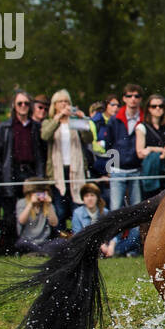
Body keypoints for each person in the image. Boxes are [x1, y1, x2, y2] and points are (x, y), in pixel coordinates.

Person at [0, 90, 45, 249]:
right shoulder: (5, 127)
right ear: (14, 106)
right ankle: (10, 247)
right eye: (19, 103)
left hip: (30, 173)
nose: (23, 106)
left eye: (26, 104)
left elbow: (42, 154)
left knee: (33, 210)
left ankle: (30, 245)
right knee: (10, 214)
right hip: (11, 173)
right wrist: (1, 173)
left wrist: (40, 177)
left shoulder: (36, 127)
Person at [42, 89, 96, 227]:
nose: (64, 104)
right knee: (60, 209)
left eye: (66, 101)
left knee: (77, 206)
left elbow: (89, 138)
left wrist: (83, 120)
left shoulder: (75, 121)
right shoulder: (49, 122)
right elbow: (45, 135)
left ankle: (77, 237)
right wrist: (58, 117)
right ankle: (59, 240)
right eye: (61, 101)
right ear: (54, 105)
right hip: (57, 171)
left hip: (76, 170)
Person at [103, 84, 144, 211]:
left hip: (136, 170)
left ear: (140, 99)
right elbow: (109, 145)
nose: (133, 99)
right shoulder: (115, 120)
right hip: (117, 170)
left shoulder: (144, 119)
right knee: (115, 209)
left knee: (137, 209)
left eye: (136, 96)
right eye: (129, 95)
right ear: (124, 98)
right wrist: (110, 168)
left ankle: (136, 232)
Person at [14, 179, 62, 254]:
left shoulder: (48, 205)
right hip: (27, 241)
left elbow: (54, 223)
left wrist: (48, 204)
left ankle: (38, 252)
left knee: (61, 242)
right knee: (22, 243)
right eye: (37, 192)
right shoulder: (22, 203)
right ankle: (42, 252)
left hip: (44, 242)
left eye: (42, 192)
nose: (40, 195)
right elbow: (21, 221)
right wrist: (31, 204)